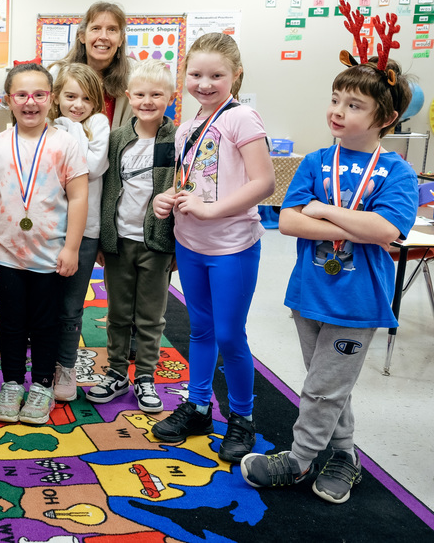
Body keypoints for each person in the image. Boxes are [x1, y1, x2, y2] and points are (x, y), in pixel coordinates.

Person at [241, 7, 416, 503]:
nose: (338, 110)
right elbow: (290, 220)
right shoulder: (317, 161)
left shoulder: (396, 172)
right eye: (336, 99)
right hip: (310, 292)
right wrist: (347, 220)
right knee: (326, 384)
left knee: (321, 388)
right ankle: (345, 455)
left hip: (359, 300)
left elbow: (388, 227)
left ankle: (298, 461)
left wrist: (322, 208)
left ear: (384, 117)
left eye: (354, 104)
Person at [150, 33, 276, 463]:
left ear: (235, 76)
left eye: (216, 75)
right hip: (190, 243)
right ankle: (199, 407)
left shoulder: (243, 118)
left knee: (229, 335)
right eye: (196, 74)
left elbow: (264, 182)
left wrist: (213, 210)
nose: (205, 83)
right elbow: (187, 181)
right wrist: (164, 198)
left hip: (232, 245)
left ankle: (242, 418)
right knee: (200, 330)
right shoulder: (186, 126)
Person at [0, 63, 88, 425]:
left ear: (52, 99)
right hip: (8, 255)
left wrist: (71, 248)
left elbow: (77, 199)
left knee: (46, 324)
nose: (30, 102)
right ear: (8, 100)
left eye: (39, 94)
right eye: (21, 95)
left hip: (49, 255)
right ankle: (12, 383)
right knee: (11, 324)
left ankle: (43, 384)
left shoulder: (65, 144)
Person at [88, 60, 177, 413]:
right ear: (129, 96)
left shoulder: (176, 139)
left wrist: (176, 246)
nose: (148, 101)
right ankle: (115, 372)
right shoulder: (117, 138)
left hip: (156, 243)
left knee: (151, 315)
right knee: (119, 312)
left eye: (157, 94)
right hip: (119, 241)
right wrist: (101, 237)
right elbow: (106, 186)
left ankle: (145, 376)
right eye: (140, 94)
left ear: (169, 98)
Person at [48, 63, 109, 403]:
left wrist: (70, 129)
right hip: (49, 228)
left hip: (85, 230)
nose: (78, 105)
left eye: (86, 98)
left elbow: (93, 166)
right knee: (45, 303)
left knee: (72, 304)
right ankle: (44, 363)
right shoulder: (51, 123)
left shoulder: (98, 123)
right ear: (57, 97)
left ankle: (66, 366)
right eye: (70, 97)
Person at [50, 1, 134, 129]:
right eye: (96, 29)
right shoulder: (58, 73)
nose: (103, 36)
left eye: (112, 29)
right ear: (82, 36)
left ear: (121, 39)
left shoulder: (134, 76)